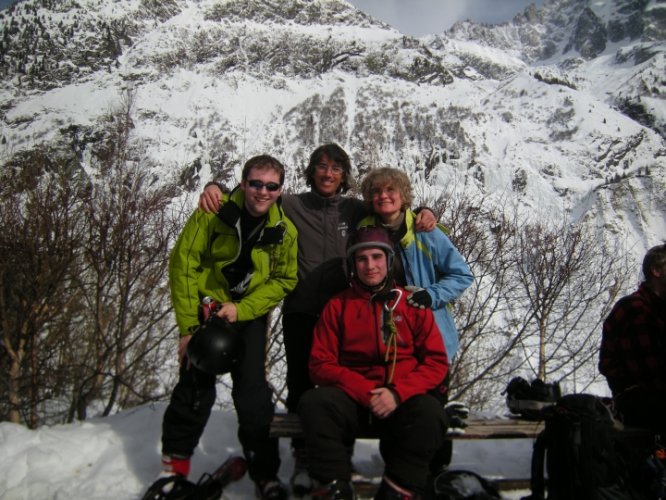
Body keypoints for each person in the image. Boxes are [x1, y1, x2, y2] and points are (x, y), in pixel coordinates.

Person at [199, 144, 436, 495]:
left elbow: (392, 210)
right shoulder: (292, 204)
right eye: (322, 167)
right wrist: (217, 186)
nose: (328, 173)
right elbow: (256, 195)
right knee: (301, 382)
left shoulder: (355, 209)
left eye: (336, 168)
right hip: (304, 311)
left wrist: (425, 211)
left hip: (348, 313)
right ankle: (303, 455)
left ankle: (338, 455)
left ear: (344, 175)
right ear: (312, 172)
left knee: (344, 385)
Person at [159, 155, 298, 500]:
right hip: (206, 310)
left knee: (252, 396)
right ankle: (174, 470)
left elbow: (284, 279)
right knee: (194, 387)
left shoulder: (284, 231)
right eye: (255, 183)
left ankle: (264, 473)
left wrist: (244, 308)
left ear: (281, 190)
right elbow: (184, 263)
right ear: (243, 182)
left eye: (271, 186)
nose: (262, 192)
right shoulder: (213, 213)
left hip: (246, 316)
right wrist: (189, 328)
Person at [298, 226, 449, 500]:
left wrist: (397, 393)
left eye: (377, 257)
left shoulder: (410, 305)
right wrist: (366, 392)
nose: (370, 266)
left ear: (389, 261)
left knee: (430, 412)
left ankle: (399, 488)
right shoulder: (338, 306)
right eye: (362, 259)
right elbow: (321, 364)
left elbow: (436, 363)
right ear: (353, 265)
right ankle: (334, 487)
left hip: (401, 401)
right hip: (356, 400)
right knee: (315, 404)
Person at [357, 167, 473, 474]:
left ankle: (434, 475)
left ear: (403, 196)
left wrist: (431, 295)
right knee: (396, 407)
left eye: (390, 190)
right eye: (377, 192)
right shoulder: (364, 230)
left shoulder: (426, 232)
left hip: (431, 335)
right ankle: (399, 475)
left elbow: (462, 274)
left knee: (431, 409)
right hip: (388, 338)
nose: (384, 196)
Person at [599, 243, 666, 436]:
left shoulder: (658, 309)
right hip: (639, 403)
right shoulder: (636, 309)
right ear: (656, 271)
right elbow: (652, 374)